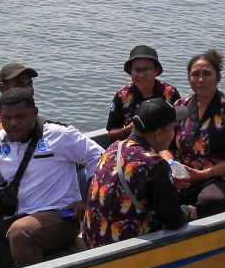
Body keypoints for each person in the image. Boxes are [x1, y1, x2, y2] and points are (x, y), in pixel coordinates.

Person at [0, 88, 104, 268]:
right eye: (7, 117)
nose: (13, 123)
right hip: (14, 212)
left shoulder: (60, 135)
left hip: (58, 217)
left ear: (34, 113)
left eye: (20, 116)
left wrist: (87, 201)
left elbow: (99, 158)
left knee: (21, 232)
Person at [83, 99, 196, 248]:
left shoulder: (114, 147)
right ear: (159, 134)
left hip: (93, 239)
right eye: (173, 127)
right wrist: (188, 211)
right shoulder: (155, 164)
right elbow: (173, 219)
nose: (174, 133)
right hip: (120, 249)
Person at [165, 50, 225, 217]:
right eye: (195, 74)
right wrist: (171, 168)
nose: (201, 79)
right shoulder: (180, 106)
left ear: (218, 78)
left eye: (207, 74)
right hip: (186, 175)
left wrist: (203, 175)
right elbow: (165, 146)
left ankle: (192, 216)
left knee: (210, 200)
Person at [105, 45, 181, 142]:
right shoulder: (122, 96)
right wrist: (132, 128)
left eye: (146, 69)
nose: (141, 75)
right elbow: (111, 134)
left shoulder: (170, 93)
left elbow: (180, 128)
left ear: (156, 70)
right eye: (136, 70)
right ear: (130, 72)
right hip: (133, 149)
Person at [0, 62, 38, 157]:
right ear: (3, 88)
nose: (28, 90)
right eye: (19, 85)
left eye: (29, 83)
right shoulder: (8, 122)